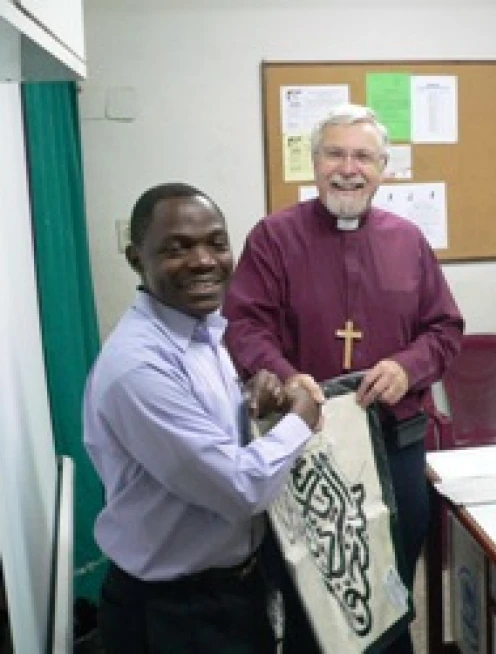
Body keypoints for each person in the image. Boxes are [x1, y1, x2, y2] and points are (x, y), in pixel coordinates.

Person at [222, 103, 464, 652]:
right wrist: (288, 379)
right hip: (304, 452)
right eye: (335, 154)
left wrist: (407, 366)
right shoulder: (274, 238)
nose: (348, 169)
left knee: (391, 591)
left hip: (395, 447)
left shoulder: (408, 241)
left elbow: (445, 329)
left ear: (383, 169)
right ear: (314, 162)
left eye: (363, 157)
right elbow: (244, 327)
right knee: (314, 599)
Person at [83, 183, 322, 653]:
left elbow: (208, 432)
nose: (204, 261)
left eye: (217, 243)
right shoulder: (139, 366)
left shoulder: (202, 331)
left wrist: (252, 398)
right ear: (136, 259)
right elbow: (239, 488)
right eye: (178, 248)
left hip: (230, 591)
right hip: (176, 612)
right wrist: (301, 416)